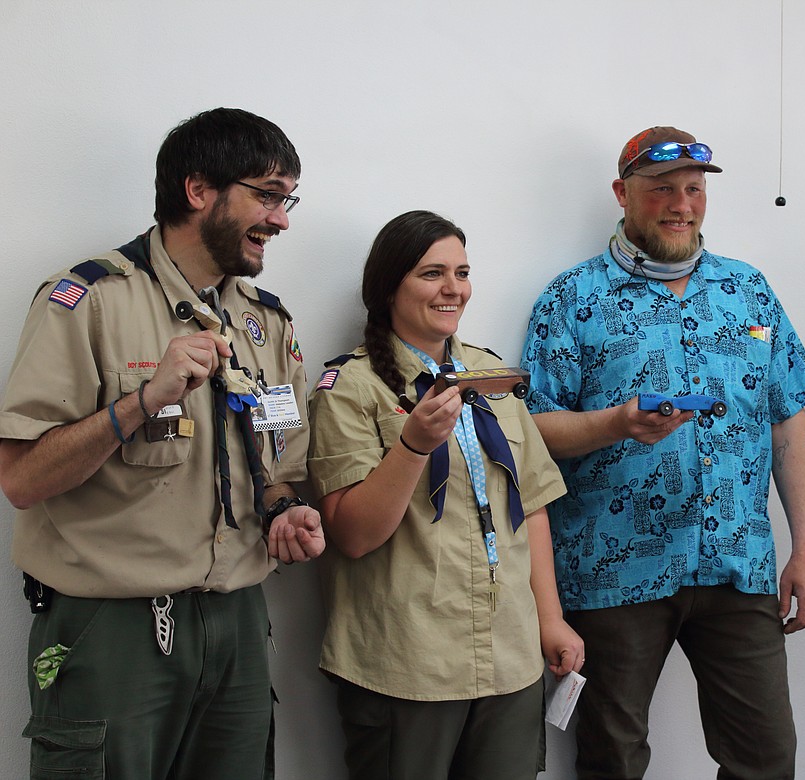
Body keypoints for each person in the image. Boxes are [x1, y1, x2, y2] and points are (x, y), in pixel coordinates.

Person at [0, 107, 324, 779]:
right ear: (199, 190)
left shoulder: (266, 322)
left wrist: (285, 511)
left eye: (287, 198)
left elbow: (280, 464)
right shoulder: (89, 301)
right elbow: (22, 480)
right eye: (266, 195)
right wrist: (143, 400)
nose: (283, 218)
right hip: (113, 630)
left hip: (237, 620)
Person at [521, 126, 805, 780]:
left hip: (738, 565)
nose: (681, 203)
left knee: (767, 758)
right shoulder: (571, 299)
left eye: (693, 188)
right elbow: (534, 430)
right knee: (613, 760)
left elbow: (787, 425)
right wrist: (616, 425)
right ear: (622, 194)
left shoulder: (749, 292)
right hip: (614, 572)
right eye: (662, 189)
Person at [306, 209, 583, 780]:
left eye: (461, 271)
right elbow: (353, 535)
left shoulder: (490, 375)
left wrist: (549, 620)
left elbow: (528, 503)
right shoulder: (350, 388)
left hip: (509, 655)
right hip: (408, 660)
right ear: (388, 287)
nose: (453, 288)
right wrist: (412, 445)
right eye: (432, 273)